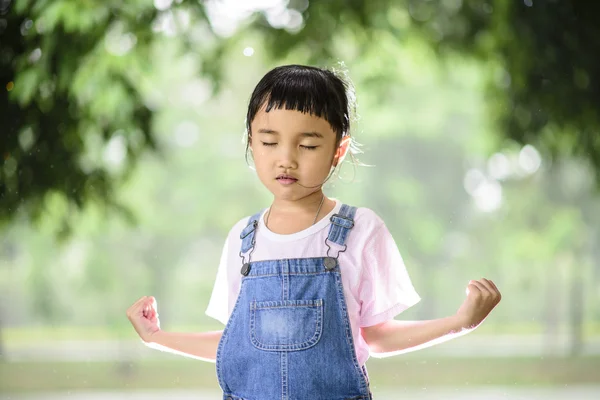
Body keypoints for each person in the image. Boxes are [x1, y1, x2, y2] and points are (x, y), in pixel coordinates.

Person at [126, 64, 501, 399]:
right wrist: (157, 338)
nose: (286, 158)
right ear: (251, 142)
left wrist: (459, 323)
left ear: (339, 149)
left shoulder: (361, 230)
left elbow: (377, 337)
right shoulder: (243, 240)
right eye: (269, 141)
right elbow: (237, 346)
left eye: (307, 144)